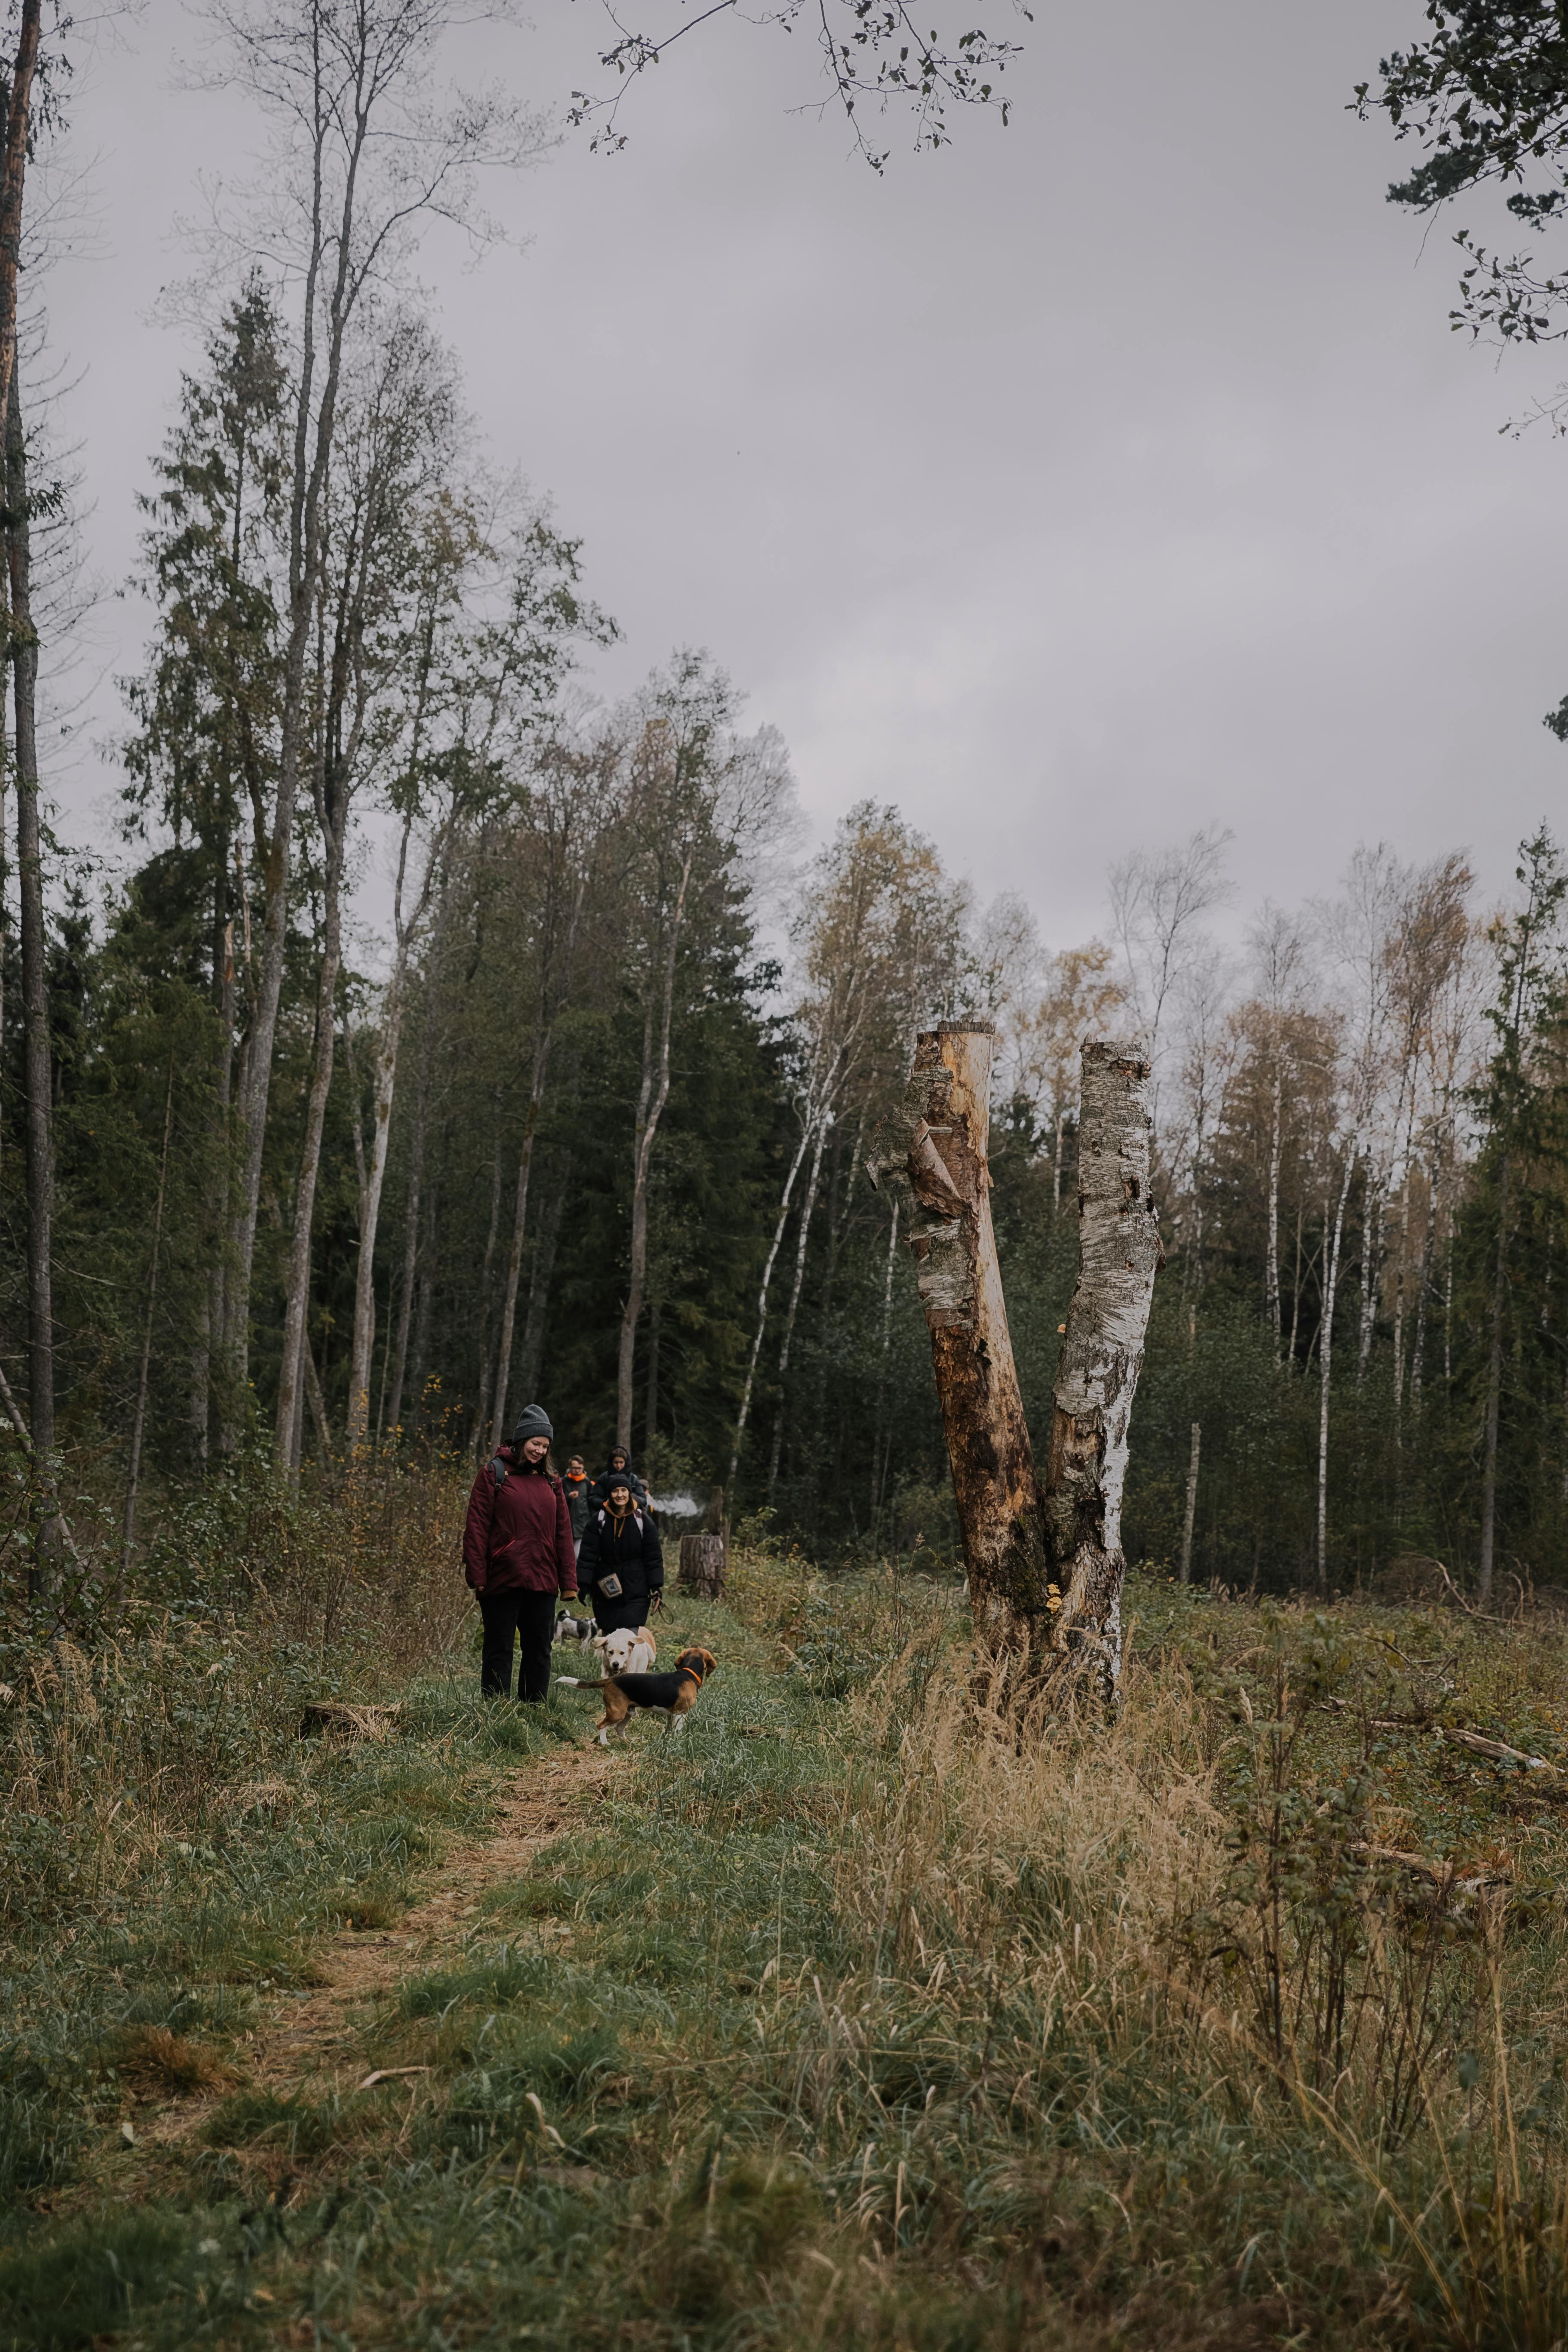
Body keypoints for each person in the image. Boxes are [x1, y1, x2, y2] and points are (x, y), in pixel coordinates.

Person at [462, 1404, 578, 1703]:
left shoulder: (552, 1483)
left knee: (539, 1647)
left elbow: (563, 1534)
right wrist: (477, 1575)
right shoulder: (493, 1474)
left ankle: (533, 1707)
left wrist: (568, 1582)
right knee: (499, 1646)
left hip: (543, 1579)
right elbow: (476, 1528)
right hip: (502, 1577)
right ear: (521, 1441)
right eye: (535, 1443)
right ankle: (496, 1707)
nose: (539, 1450)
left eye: (545, 1446)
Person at [578, 1473, 663, 1634]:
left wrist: (656, 1586)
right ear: (609, 1494)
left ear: (629, 1492)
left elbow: (653, 1556)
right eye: (615, 1491)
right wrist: (583, 1583)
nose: (620, 1495)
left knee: (631, 1635)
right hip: (606, 1584)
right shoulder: (599, 1520)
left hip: (636, 1584)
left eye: (624, 1490)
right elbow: (588, 1555)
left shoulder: (642, 1520)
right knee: (610, 1636)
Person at [589, 1446, 649, 1513]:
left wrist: (631, 1499)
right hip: (608, 1515)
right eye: (616, 1462)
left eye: (621, 1462)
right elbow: (593, 1498)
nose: (618, 1465)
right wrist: (607, 1503)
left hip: (630, 1516)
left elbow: (643, 1500)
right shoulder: (604, 1478)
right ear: (612, 1462)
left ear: (626, 1462)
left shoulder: (633, 1479)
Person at [563, 1455, 593, 1556]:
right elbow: (556, 1501)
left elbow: (592, 1504)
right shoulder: (563, 1482)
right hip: (566, 1525)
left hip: (583, 1525)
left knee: (578, 1555)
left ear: (583, 1468)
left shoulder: (588, 1483)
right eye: (575, 1468)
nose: (577, 1471)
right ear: (570, 1468)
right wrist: (568, 1497)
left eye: (579, 1468)